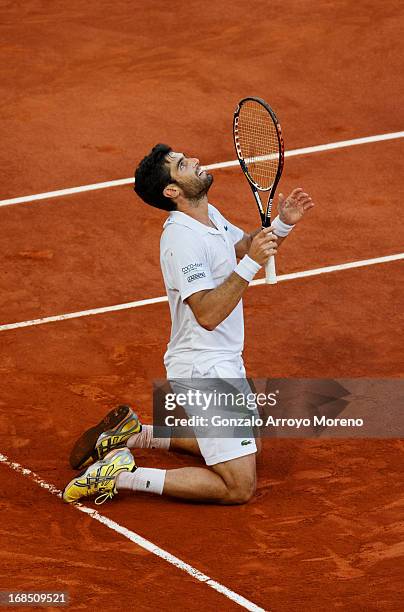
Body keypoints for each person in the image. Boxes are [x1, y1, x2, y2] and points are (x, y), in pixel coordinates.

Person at [62, 144, 314, 506]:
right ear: (172, 191)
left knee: (252, 446)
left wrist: (283, 224)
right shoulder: (181, 239)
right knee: (238, 486)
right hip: (203, 366)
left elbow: (242, 245)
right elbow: (208, 315)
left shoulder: (207, 214)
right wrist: (252, 266)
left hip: (222, 358)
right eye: (182, 164)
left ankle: (134, 435)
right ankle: (120, 475)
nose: (195, 161)